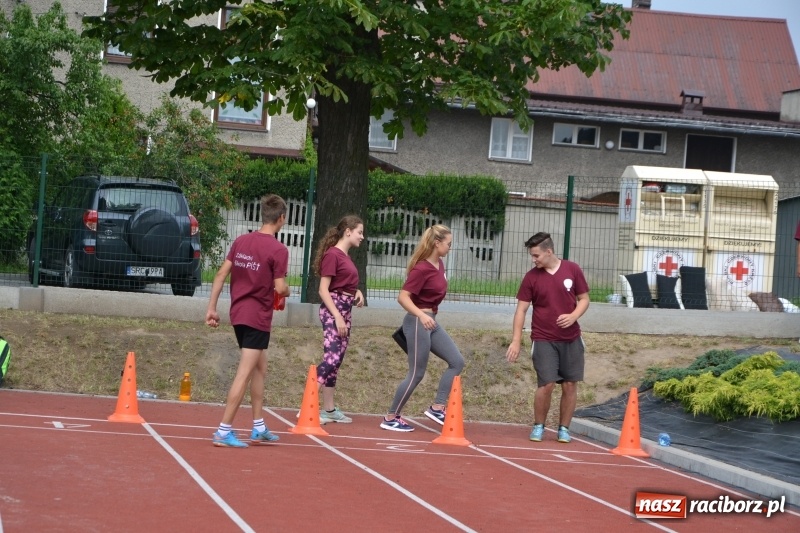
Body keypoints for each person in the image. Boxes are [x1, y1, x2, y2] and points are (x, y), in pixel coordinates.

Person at [205, 194, 290, 448]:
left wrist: (212, 308)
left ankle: (258, 427)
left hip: (238, 315)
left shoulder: (241, 241)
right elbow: (280, 287)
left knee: (259, 368)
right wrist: (286, 291)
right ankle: (223, 430)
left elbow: (221, 273)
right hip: (257, 318)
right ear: (282, 218)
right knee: (243, 374)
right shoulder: (278, 249)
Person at [505, 232, 589, 444]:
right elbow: (521, 311)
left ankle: (563, 429)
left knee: (570, 385)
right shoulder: (531, 277)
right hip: (543, 338)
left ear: (548, 251)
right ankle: (539, 425)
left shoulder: (573, 270)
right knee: (547, 384)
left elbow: (584, 299)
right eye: (532, 256)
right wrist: (516, 339)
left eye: (536, 255)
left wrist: (573, 316)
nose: (534, 260)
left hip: (571, 339)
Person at [380, 224, 465, 432]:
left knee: (457, 361)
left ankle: (437, 407)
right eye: (448, 244)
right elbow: (402, 297)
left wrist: (428, 316)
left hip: (431, 321)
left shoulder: (440, 265)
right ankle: (391, 416)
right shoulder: (422, 268)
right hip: (418, 321)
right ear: (437, 243)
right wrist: (420, 314)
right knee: (417, 373)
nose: (450, 248)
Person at [312, 215, 365, 424]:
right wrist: (337, 317)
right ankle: (307, 405)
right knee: (331, 358)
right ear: (348, 231)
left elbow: (343, 284)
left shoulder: (345, 257)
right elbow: (323, 290)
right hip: (333, 312)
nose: (362, 236)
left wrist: (357, 293)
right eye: (360, 232)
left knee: (336, 362)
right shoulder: (333, 255)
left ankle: (329, 410)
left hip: (345, 311)